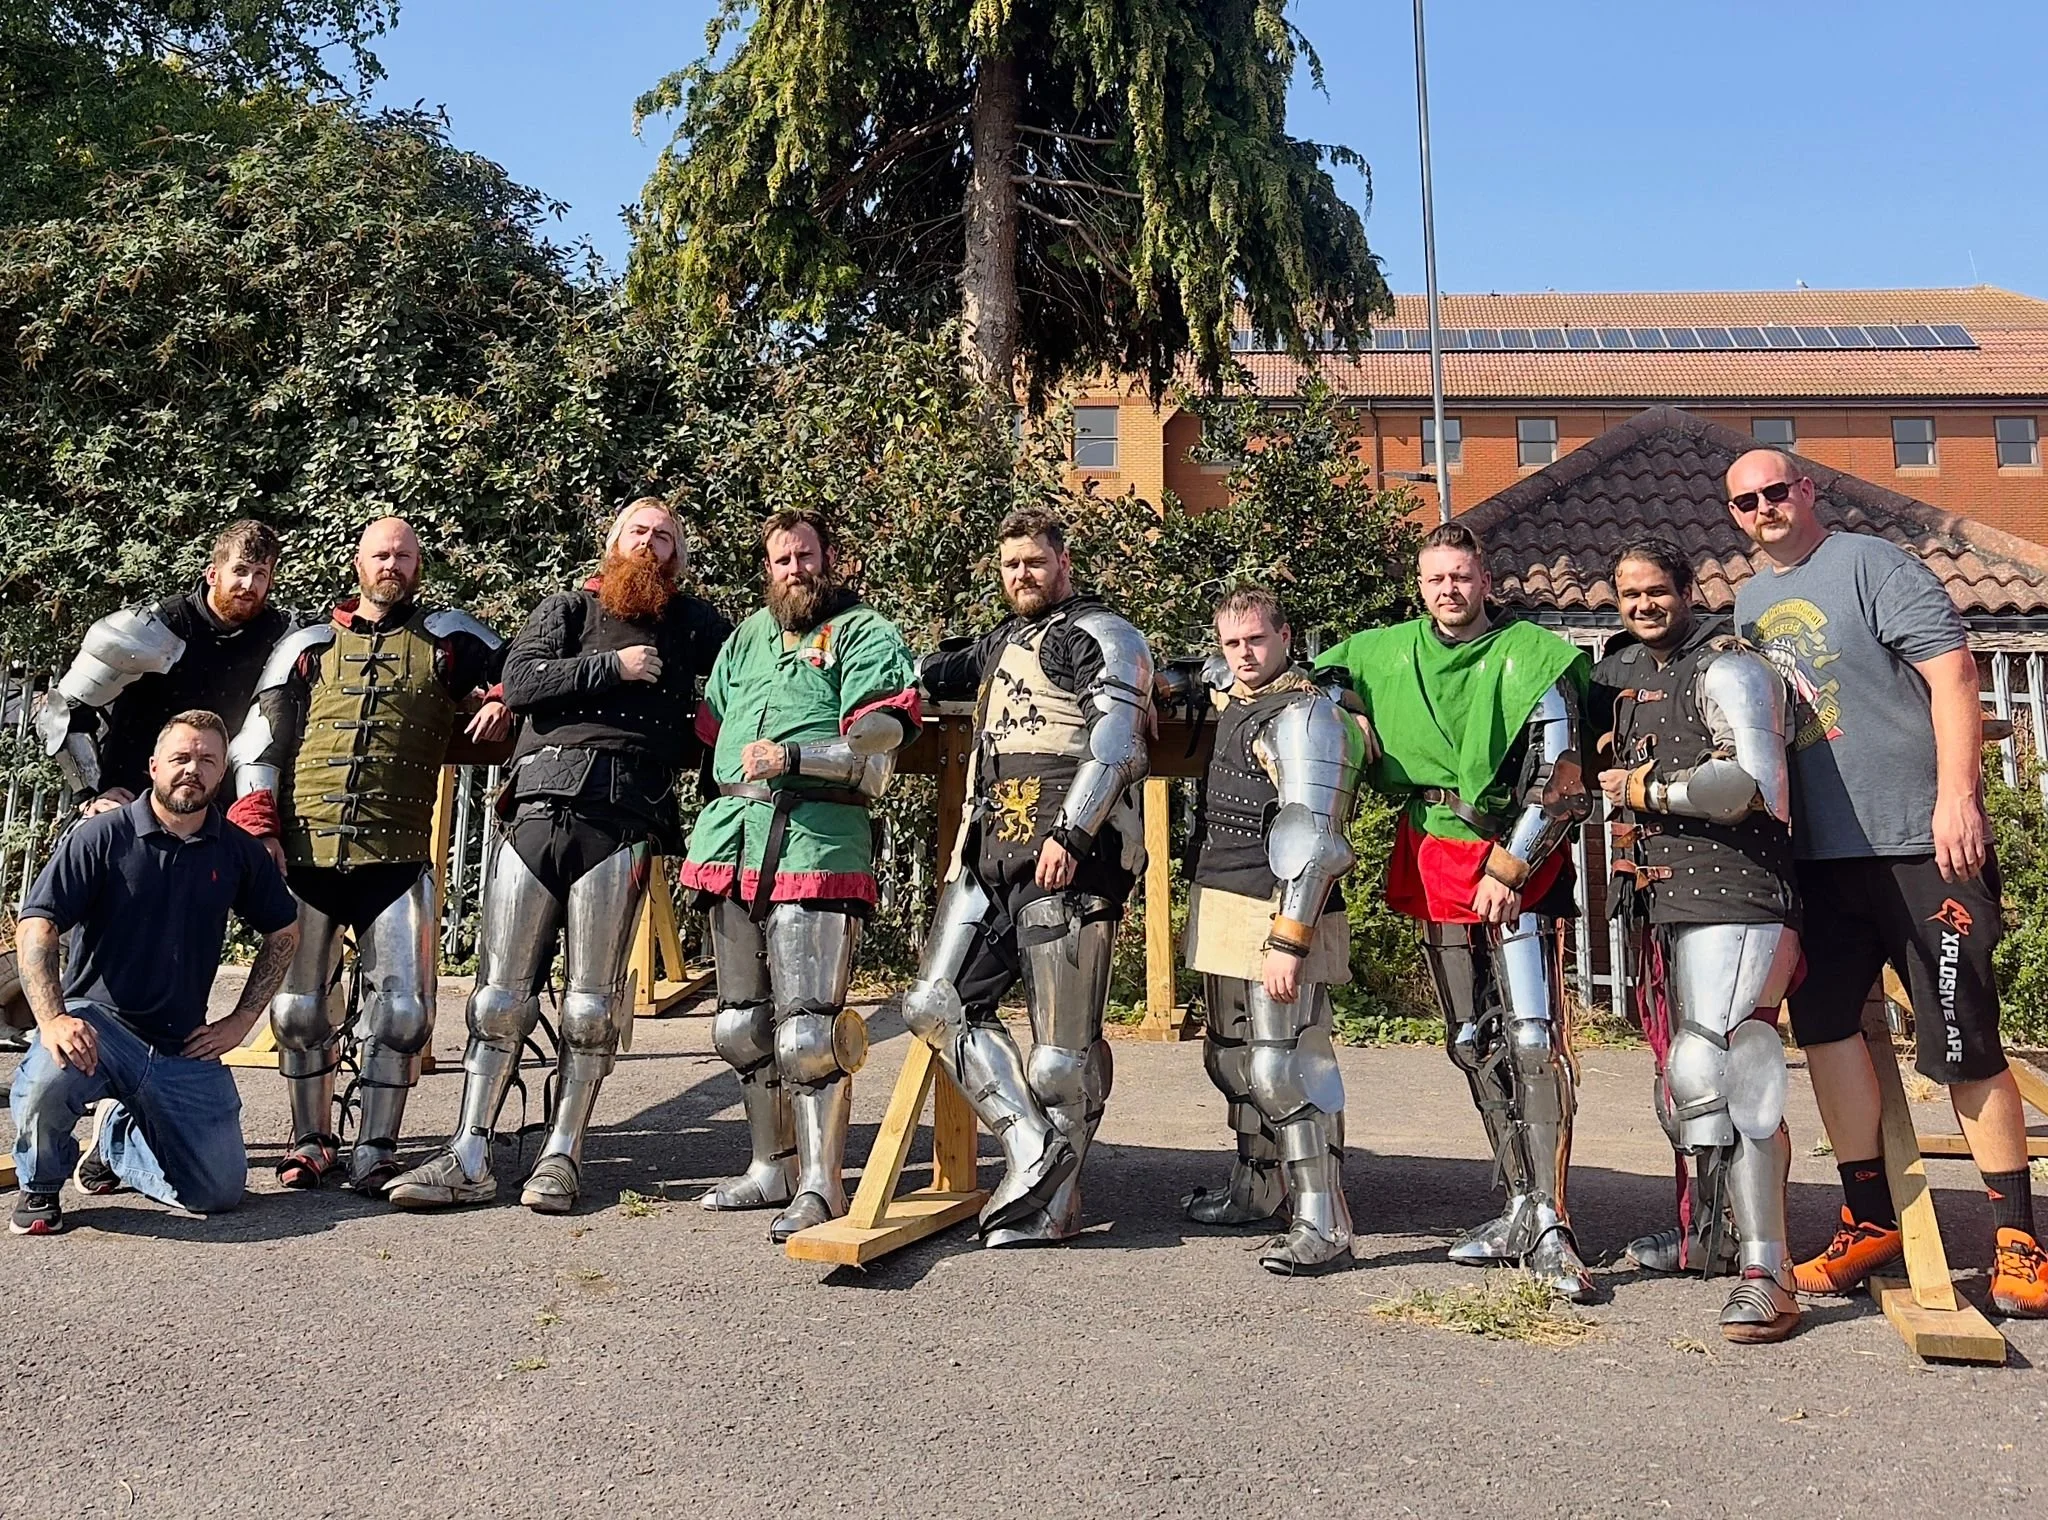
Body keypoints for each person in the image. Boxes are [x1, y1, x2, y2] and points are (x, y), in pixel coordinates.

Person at [1728, 447, 2048, 1317]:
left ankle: (2018, 1241)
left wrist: (1959, 799)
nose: (1761, 509)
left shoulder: (1871, 565)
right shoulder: (1750, 604)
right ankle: (1869, 1222)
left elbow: (1954, 674)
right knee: (1827, 1033)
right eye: (1744, 502)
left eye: (1773, 491)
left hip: (1919, 844)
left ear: (1806, 491)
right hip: (1820, 860)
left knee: (1964, 1041)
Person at [386, 501, 731, 1214]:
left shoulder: (695, 624)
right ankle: (469, 1152)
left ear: (679, 556)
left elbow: (755, 664)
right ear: (613, 542)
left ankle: (562, 1154)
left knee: (591, 1005)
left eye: (665, 537)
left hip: (626, 814)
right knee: (497, 997)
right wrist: (614, 666)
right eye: (639, 532)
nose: (651, 544)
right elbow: (520, 682)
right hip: (538, 806)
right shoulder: (568, 608)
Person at [1315, 521, 1596, 1300]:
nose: (1449, 589)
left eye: (1461, 576)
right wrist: (1345, 710)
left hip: (1516, 858)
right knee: (1472, 1041)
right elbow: (1318, 677)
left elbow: (1563, 777)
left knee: (1532, 1040)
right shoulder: (1387, 651)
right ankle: (1517, 1203)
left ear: (1485, 580)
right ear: (1420, 584)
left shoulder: (1533, 656)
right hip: (1435, 849)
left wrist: (1511, 863)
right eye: (1436, 578)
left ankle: (1552, 1220)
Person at [225, 518, 509, 1194]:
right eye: (381, 553)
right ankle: (312, 1141)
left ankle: (376, 1149)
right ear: (359, 562)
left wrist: (502, 698)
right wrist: (260, 824)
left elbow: (528, 671)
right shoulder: (307, 644)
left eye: (404, 555)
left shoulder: (454, 639)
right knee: (297, 1012)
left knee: (405, 1016)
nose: (392, 564)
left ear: (418, 565)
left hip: (397, 856)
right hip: (307, 853)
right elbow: (259, 737)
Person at [901, 508, 1154, 1247]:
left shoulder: (1100, 633)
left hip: (1067, 853)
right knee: (935, 1004)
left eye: (1034, 563)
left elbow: (1117, 741)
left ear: (1063, 563)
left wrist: (1073, 830)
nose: (1022, 575)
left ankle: (1056, 1206)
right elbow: (928, 671)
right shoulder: (1001, 639)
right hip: (990, 849)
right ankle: (1031, 1146)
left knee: (1059, 1057)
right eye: (1011, 565)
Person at [686, 508, 919, 1243]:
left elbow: (876, 755)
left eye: (806, 556)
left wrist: (791, 758)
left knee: (807, 1035)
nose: (795, 569)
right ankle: (771, 1166)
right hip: (732, 837)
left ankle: (823, 1183)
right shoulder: (745, 638)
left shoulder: (864, 632)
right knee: (739, 1026)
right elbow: (710, 731)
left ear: (830, 559)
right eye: (782, 559)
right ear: (768, 567)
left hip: (817, 840)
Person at [1590, 538, 1803, 1343]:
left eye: (1656, 591)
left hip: (1738, 893)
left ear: (1687, 589)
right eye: (1629, 594)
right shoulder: (1631, 674)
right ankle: (1711, 1238)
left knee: (1731, 1071)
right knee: (1685, 1080)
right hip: (1669, 900)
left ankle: (1769, 1272)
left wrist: (1646, 789)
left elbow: (1751, 784)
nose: (1643, 605)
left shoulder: (1731, 668)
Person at [9, 711, 300, 1234]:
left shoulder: (237, 851)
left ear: (222, 772)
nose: (193, 769)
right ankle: (41, 1186)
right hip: (97, 1026)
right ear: (153, 766)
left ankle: (117, 1145)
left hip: (179, 1042)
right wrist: (52, 1019)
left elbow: (284, 932)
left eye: (207, 760)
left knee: (219, 1192)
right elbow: (37, 923)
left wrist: (241, 1022)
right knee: (48, 1078)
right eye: (181, 757)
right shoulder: (102, 836)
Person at [1174, 586, 1366, 1275]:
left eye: (1256, 639)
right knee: (1229, 1056)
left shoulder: (1307, 714)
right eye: (1232, 643)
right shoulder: (1236, 694)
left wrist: (1290, 938)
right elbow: (1194, 675)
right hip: (1223, 893)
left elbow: (1316, 843)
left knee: (1284, 1067)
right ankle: (1257, 1188)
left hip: (1280, 905)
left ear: (1286, 637)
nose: (1244, 654)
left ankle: (1324, 1220)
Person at [35, 520, 291, 813]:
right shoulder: (156, 627)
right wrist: (92, 792)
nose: (248, 585)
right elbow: (62, 709)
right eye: (240, 570)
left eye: (260, 574)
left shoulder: (278, 635)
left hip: (221, 814)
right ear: (212, 574)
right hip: (131, 803)